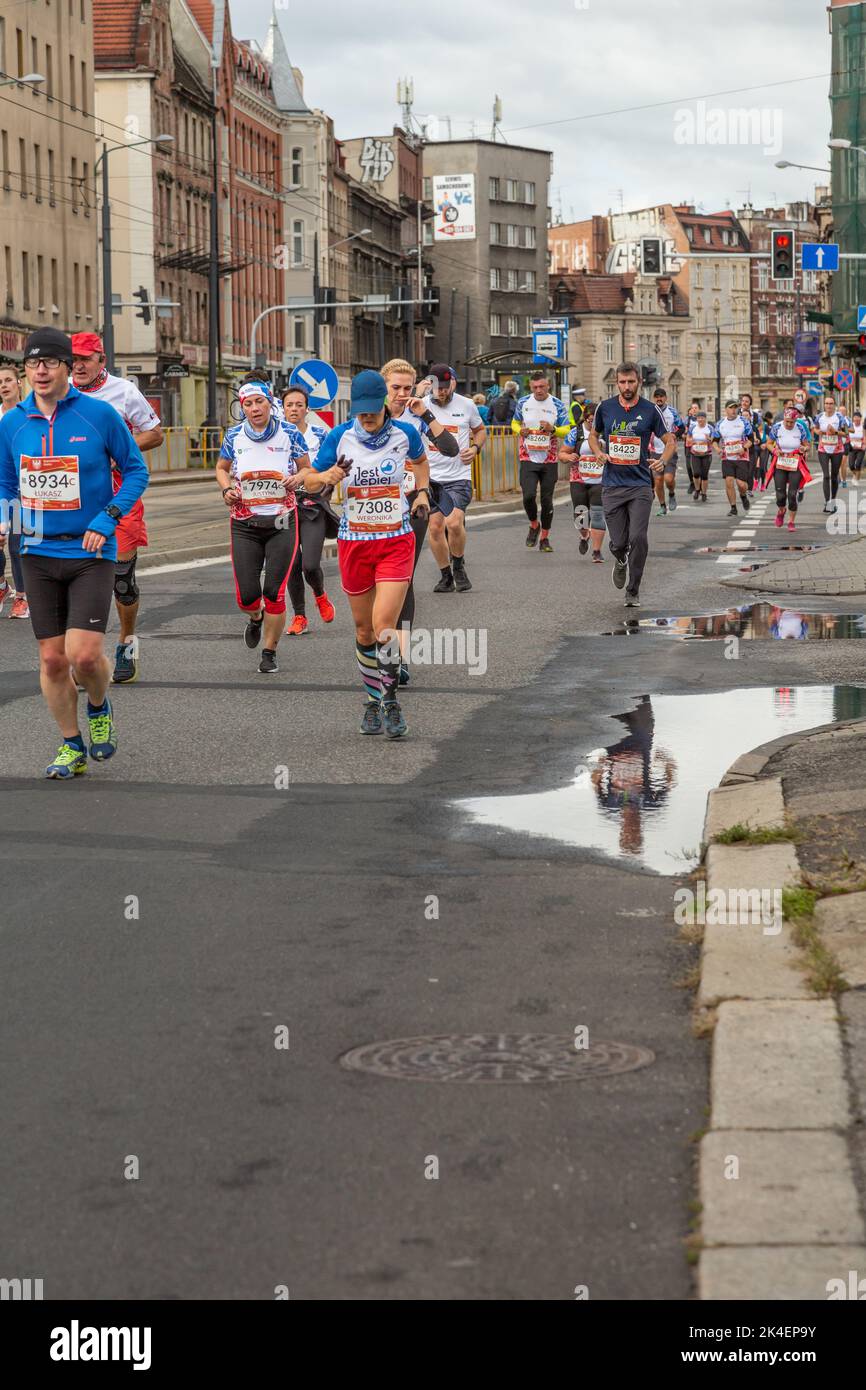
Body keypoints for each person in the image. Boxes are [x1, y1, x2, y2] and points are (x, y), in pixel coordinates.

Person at [0, 328, 148, 778]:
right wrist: (5, 517)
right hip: (37, 552)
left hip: (89, 553)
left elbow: (136, 472)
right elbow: (6, 482)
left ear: (68, 368)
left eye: (49, 362)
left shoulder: (99, 416)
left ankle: (99, 709)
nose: (40, 371)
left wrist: (107, 519)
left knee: (84, 656)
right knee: (51, 659)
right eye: (32, 364)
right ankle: (71, 744)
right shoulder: (12, 423)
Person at [303, 369, 430, 739]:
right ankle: (371, 702)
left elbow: (421, 462)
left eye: (372, 409)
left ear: (384, 406)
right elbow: (310, 478)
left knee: (383, 626)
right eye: (361, 410)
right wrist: (326, 478)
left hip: (395, 538)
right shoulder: (339, 437)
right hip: (355, 542)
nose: (367, 416)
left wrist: (421, 492)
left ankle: (390, 701)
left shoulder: (404, 434)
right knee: (362, 630)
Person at [70, 333, 164, 684]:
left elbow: (155, 434)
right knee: (77, 577)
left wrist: (114, 449)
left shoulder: (124, 391)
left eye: (85, 358)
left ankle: (126, 642)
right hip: (75, 500)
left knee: (121, 580)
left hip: (119, 497)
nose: (78, 365)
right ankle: (84, 656)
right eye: (73, 358)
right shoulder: (60, 391)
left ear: (101, 360)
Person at [215, 381, 311, 674]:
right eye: (248, 404)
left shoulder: (290, 433)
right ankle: (255, 618)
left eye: (259, 402)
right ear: (242, 408)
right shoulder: (234, 435)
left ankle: (269, 651)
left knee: (274, 592)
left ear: (270, 403)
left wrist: (299, 478)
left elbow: (307, 467)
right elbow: (221, 468)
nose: (254, 409)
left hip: (282, 521)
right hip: (245, 523)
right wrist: (226, 489)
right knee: (247, 596)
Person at [381, 359, 459, 685]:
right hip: (376, 505)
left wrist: (426, 414)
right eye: (395, 388)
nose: (401, 394)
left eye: (406, 388)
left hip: (416, 503)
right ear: (383, 387)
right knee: (377, 584)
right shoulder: (367, 418)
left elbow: (451, 449)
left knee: (403, 578)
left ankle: (396, 655)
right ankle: (381, 644)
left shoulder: (417, 417)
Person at [589, 361, 674, 607]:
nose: (627, 387)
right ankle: (620, 559)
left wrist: (663, 461)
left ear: (639, 382)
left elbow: (669, 440)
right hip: (613, 486)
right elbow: (594, 436)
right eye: (622, 382)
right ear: (617, 383)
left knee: (639, 538)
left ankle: (633, 589)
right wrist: (597, 452)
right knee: (618, 543)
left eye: (631, 382)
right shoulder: (605, 408)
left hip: (639, 486)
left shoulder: (650, 410)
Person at [281, 384, 338, 637]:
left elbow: (334, 464)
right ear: (282, 409)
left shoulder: (319, 434)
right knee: (292, 564)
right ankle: (300, 616)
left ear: (306, 408)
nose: (294, 409)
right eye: (289, 405)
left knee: (310, 564)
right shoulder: (276, 435)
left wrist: (329, 485)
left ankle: (320, 595)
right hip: (282, 508)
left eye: (298, 405)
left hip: (312, 505)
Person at [423, 364, 485, 592]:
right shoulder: (422, 405)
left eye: (446, 387)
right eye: (437, 387)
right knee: (436, 527)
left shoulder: (467, 405)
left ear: (453, 384)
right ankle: (445, 575)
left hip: (459, 475)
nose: (441, 392)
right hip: (431, 478)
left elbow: (480, 430)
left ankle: (458, 565)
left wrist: (476, 448)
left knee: (454, 522)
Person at [512, 371, 570, 552]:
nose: (539, 390)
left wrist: (553, 429)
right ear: (531, 387)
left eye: (542, 387)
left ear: (548, 386)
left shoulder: (557, 405)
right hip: (528, 457)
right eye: (535, 387)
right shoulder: (523, 402)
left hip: (549, 460)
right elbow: (514, 423)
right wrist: (519, 431)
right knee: (528, 496)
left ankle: (545, 537)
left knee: (547, 501)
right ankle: (533, 524)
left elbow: (567, 429)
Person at [0, 362, 28, 618]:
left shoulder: (27, 413)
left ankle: (21, 597)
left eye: (8, 380)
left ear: (19, 383)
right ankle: (2, 586)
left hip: (20, 491)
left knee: (16, 544)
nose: (3, 386)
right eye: (0, 383)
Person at [559, 412, 605, 562]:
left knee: (598, 514)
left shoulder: (606, 431)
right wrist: (569, 457)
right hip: (579, 479)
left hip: (600, 480)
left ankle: (597, 552)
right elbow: (562, 453)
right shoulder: (576, 433)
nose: (594, 424)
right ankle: (585, 535)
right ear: (585, 419)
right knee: (580, 515)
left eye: (596, 421)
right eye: (591, 421)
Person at [764, 403, 811, 532]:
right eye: (787, 421)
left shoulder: (800, 428)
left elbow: (807, 445)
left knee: (792, 494)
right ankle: (781, 510)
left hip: (795, 463)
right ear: (784, 419)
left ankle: (791, 521)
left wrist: (804, 448)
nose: (789, 424)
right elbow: (768, 443)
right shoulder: (777, 428)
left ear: (796, 420)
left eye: (792, 422)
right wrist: (774, 451)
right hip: (781, 462)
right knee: (780, 494)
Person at [713, 400, 753, 516]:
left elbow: (751, 439)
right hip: (727, 457)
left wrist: (744, 448)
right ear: (726, 410)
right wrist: (717, 449)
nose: (734, 410)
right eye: (731, 408)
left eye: (735, 408)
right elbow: (715, 441)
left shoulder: (744, 421)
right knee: (729, 482)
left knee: (741, 484)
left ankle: (743, 495)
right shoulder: (721, 423)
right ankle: (733, 507)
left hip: (741, 456)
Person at [650, 387, 683, 515]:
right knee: (658, 480)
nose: (659, 398)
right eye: (657, 396)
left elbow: (681, 428)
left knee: (668, 479)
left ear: (665, 398)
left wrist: (675, 434)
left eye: (661, 396)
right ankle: (663, 506)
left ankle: (671, 493)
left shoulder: (672, 412)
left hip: (669, 449)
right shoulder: (650, 411)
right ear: (654, 398)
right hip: (655, 450)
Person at [815, 394, 849, 513]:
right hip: (823, 449)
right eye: (827, 403)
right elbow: (815, 428)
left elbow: (846, 434)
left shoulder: (839, 417)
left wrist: (835, 432)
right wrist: (818, 431)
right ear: (824, 405)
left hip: (837, 450)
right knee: (826, 476)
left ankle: (833, 501)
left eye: (831, 403)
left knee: (834, 476)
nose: (829, 406)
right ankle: (827, 503)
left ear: (834, 405)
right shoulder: (819, 416)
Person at [687, 410, 714, 501]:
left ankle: (704, 493)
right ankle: (697, 489)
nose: (700, 420)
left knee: (704, 475)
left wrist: (708, 439)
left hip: (706, 454)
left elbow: (713, 441)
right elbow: (688, 439)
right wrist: (694, 441)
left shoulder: (709, 428)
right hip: (695, 454)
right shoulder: (693, 428)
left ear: (705, 419)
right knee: (696, 473)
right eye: (698, 418)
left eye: (702, 418)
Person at [682, 401, 699, 497]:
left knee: (697, 467)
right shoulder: (687, 420)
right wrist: (684, 434)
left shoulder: (701, 419)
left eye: (696, 407)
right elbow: (681, 430)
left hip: (699, 446)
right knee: (689, 466)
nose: (694, 409)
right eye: (693, 408)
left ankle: (699, 486)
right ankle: (692, 483)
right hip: (688, 445)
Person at [848, 411, 865, 482]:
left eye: (858, 417)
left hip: (861, 448)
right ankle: (855, 475)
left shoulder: (863, 427)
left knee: (858, 464)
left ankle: (857, 479)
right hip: (852, 447)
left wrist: (864, 444)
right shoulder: (850, 426)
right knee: (851, 465)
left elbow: (865, 437)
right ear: (853, 419)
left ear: (860, 419)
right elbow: (847, 436)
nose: (856, 419)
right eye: (855, 417)